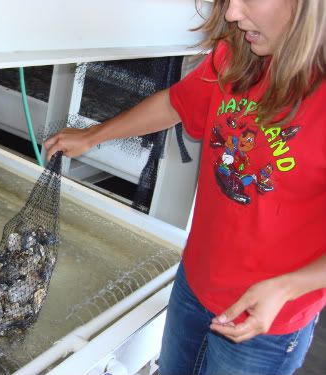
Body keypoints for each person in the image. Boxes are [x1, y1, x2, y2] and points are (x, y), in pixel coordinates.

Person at [45, 0, 326, 374]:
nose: (231, 15)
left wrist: (286, 289)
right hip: (195, 281)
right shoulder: (239, 56)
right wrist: (94, 135)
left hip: (266, 320)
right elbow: (177, 103)